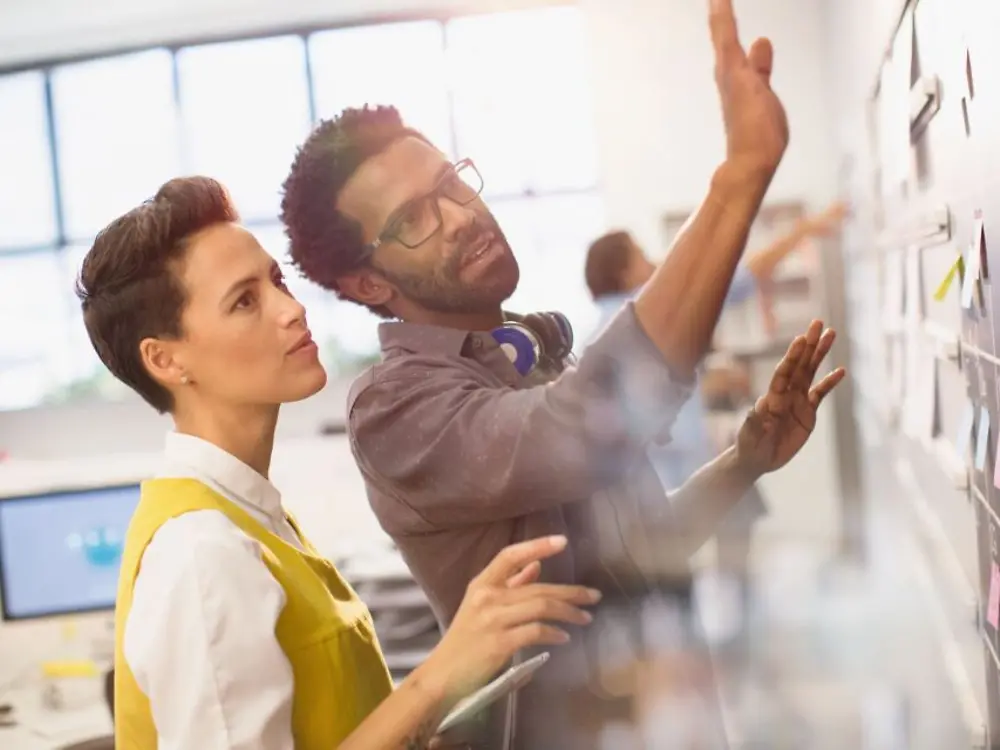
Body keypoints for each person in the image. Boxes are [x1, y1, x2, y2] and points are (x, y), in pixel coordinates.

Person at [278, 1, 845, 746]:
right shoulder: (397, 412)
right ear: (368, 284)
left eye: (451, 183)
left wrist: (744, 461)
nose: (459, 216)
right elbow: (582, 430)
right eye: (413, 219)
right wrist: (739, 177)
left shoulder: (528, 351)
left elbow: (640, 551)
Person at [78, 176, 602, 750]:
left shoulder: (248, 517)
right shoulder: (204, 552)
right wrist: (439, 674)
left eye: (276, 281)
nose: (292, 309)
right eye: (245, 301)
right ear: (166, 359)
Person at [583, 206, 847, 606]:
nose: (653, 261)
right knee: (727, 525)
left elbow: (643, 396)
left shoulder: (600, 330)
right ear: (622, 273)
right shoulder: (641, 311)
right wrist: (803, 230)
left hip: (647, 486)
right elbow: (737, 280)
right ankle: (740, 622)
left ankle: (734, 616)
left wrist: (708, 382)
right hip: (675, 482)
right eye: (640, 255)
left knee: (700, 555)